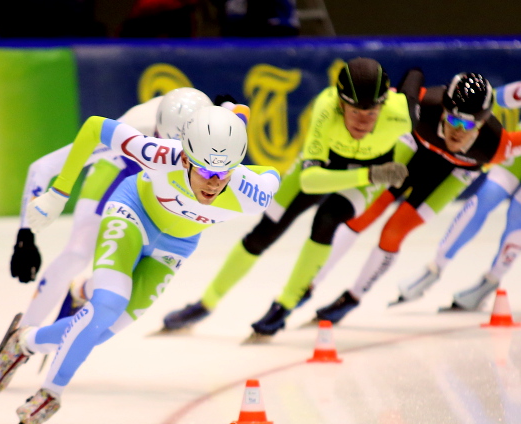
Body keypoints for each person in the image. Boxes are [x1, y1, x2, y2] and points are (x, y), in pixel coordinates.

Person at [0, 105, 281, 424]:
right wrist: (59, 192)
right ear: (185, 159)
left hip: (176, 245)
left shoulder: (252, 193)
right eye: (205, 173)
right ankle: (51, 393)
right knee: (107, 303)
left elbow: (272, 175)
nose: (213, 184)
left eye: (223, 175)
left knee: (100, 332)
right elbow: (95, 127)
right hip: (133, 210)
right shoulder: (162, 154)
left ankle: (24, 342)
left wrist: (235, 122)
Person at [0, 88, 238, 380]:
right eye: (166, 147)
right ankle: (14, 344)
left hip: (164, 186)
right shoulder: (137, 128)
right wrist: (26, 234)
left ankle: (82, 292)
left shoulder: (213, 132)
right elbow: (43, 167)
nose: (171, 158)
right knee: (77, 253)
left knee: (133, 266)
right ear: (158, 133)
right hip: (120, 167)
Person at [161, 57, 418, 337]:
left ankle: (285, 305)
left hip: (369, 173)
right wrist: (371, 175)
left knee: (327, 221)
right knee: (264, 232)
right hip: (342, 169)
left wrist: (397, 164)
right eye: (355, 112)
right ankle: (206, 302)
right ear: (340, 104)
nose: (362, 122)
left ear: (383, 106)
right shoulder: (325, 107)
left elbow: (417, 80)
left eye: (371, 114)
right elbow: (309, 181)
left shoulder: (402, 113)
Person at [313, 73, 521, 324]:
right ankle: (311, 282)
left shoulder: (498, 145)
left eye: (467, 126)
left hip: (453, 173)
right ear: (443, 110)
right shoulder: (425, 104)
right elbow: (398, 85)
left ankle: (353, 296)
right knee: (365, 211)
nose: (456, 131)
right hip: (415, 149)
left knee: (394, 230)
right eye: (453, 119)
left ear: (481, 125)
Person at [393, 80, 521, 311]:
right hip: (517, 157)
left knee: (517, 216)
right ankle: (433, 269)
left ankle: (490, 280)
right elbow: (490, 99)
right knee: (482, 201)